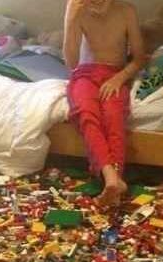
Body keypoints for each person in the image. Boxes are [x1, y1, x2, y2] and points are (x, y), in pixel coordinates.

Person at [63, 0, 146, 206]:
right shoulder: (77, 8)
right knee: (86, 112)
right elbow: (71, 63)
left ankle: (115, 179)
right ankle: (111, 177)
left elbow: (139, 58)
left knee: (113, 115)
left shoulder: (126, 11)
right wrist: (71, 20)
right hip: (84, 74)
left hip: (114, 73)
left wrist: (119, 78)